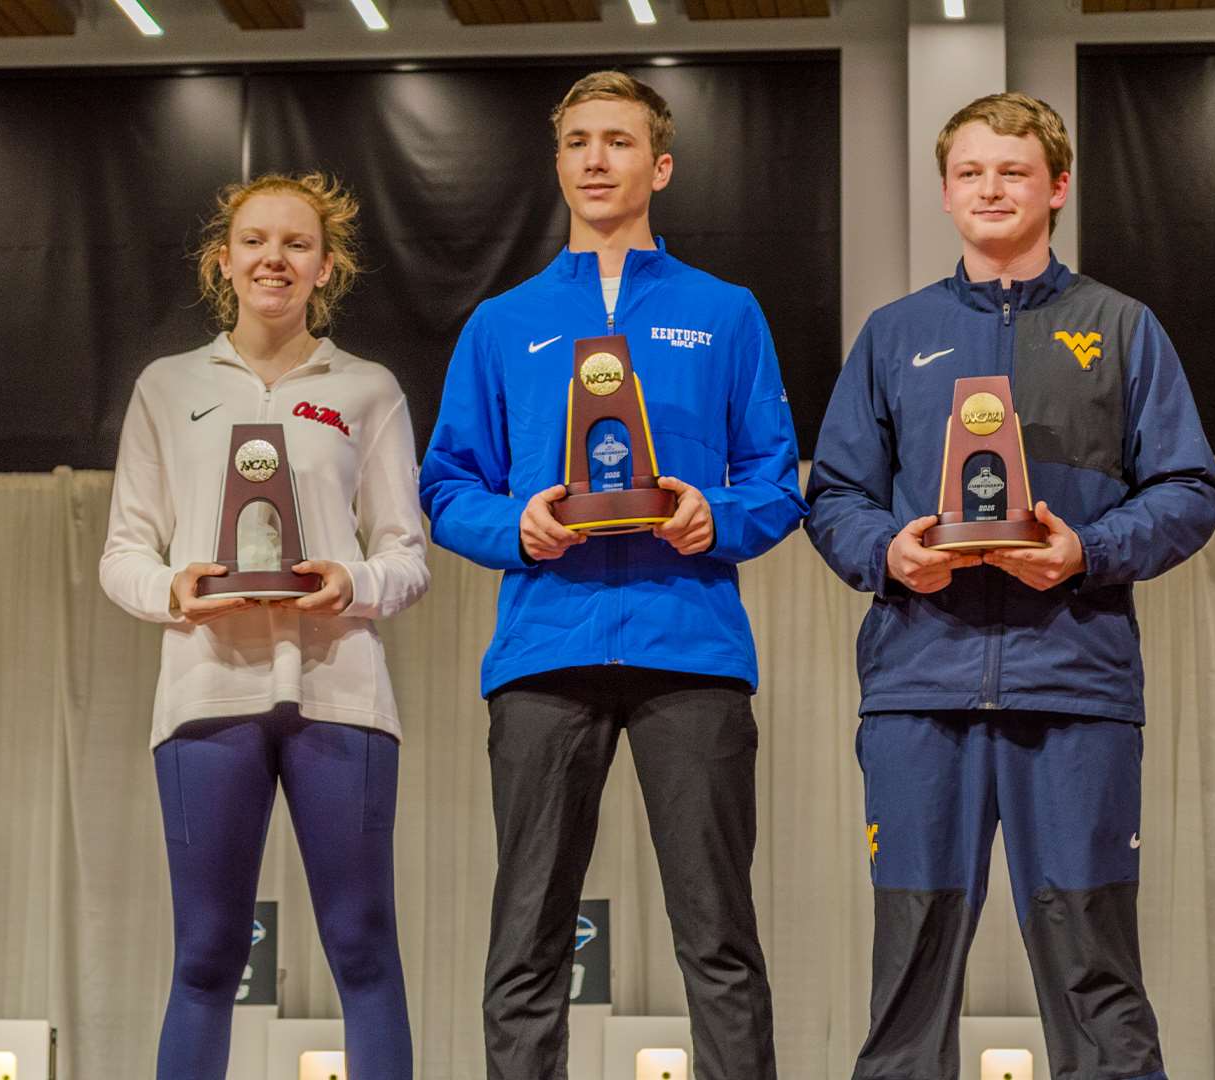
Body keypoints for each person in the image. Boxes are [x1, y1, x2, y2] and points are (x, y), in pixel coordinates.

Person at [805, 92, 1215, 1080]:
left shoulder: (1120, 328)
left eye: (1013, 171)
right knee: (908, 977)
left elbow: (1189, 488)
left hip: (1073, 690)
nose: (991, 188)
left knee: (1096, 974)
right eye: (970, 173)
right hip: (918, 689)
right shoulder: (892, 335)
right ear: (947, 193)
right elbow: (833, 496)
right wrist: (889, 552)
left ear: (1058, 186)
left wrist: (1087, 549)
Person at [418, 71, 806, 1080]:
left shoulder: (726, 314)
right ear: (558, 165)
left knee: (717, 933)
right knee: (530, 934)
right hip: (546, 648)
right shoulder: (500, 325)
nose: (598, 158)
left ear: (660, 165)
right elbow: (449, 486)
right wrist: (520, 524)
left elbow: (776, 481)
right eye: (579, 141)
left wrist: (710, 513)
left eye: (620, 142)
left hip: (692, 648)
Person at [100, 172, 427, 1080]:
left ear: (326, 267)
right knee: (206, 955)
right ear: (224, 261)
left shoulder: (367, 389)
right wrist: (179, 591)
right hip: (206, 691)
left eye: (295, 244)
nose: (273, 259)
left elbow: (408, 552)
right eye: (253, 241)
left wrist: (350, 581)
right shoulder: (167, 387)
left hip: (342, 693)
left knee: (363, 950)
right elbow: (123, 550)